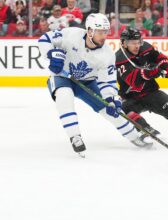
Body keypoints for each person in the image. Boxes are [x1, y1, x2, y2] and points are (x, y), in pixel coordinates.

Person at [38, 13, 152, 157]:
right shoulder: (71, 34)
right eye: (100, 32)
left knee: (108, 108)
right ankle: (75, 137)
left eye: (106, 31)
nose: (104, 36)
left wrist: (111, 99)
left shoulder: (107, 54)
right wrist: (50, 54)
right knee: (64, 96)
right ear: (90, 31)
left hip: (87, 81)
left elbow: (107, 81)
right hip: (62, 76)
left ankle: (134, 136)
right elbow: (45, 39)